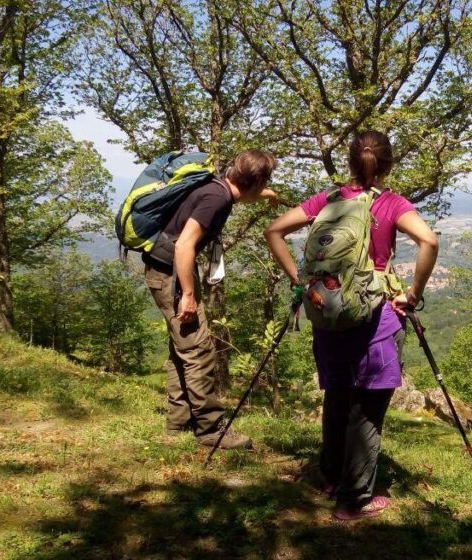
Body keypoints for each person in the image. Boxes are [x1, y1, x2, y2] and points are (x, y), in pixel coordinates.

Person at [263, 130, 438, 520]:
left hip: (327, 314)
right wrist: (411, 293)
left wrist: (300, 281)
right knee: (368, 406)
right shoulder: (391, 204)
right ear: (388, 164)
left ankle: (330, 476)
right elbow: (429, 241)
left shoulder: (327, 201)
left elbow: (273, 230)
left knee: (337, 396)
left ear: (349, 162)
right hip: (375, 319)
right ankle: (354, 499)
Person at [144, 149, 278, 449]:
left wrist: (270, 195)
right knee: (198, 350)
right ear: (254, 181)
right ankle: (210, 428)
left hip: (164, 271)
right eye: (264, 181)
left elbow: (246, 192)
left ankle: (178, 420)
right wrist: (188, 296)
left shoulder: (218, 184)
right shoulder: (216, 199)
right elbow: (184, 245)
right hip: (172, 276)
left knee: (183, 347)